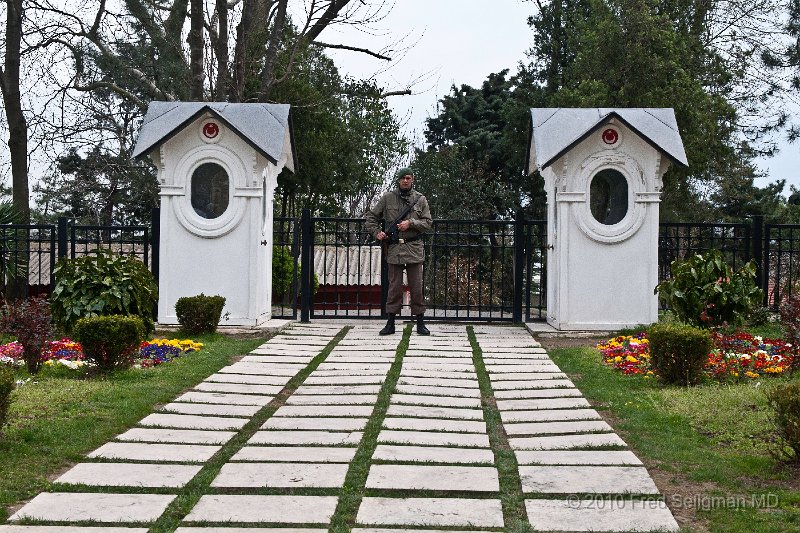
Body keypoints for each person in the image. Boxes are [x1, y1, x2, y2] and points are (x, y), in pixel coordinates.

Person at [366, 167, 433, 335]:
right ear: (398, 180)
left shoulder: (420, 199)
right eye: (403, 178)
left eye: (408, 178)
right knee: (394, 287)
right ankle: (390, 323)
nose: (405, 181)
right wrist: (377, 233)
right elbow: (371, 217)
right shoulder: (388, 198)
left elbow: (427, 222)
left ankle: (420, 323)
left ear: (412, 179)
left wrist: (411, 223)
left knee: (416, 286)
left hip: (414, 248)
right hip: (394, 248)